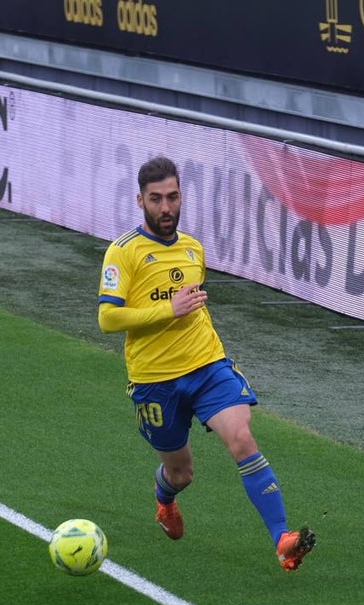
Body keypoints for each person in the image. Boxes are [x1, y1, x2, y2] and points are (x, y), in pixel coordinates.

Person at [97, 155, 316, 571]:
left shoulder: (193, 249)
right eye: (156, 199)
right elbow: (108, 318)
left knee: (242, 438)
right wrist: (169, 311)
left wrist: (183, 315)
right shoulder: (122, 253)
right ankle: (165, 501)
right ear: (140, 200)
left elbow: (191, 309)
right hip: (155, 380)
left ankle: (282, 539)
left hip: (206, 364)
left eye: (173, 197)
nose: (166, 208)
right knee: (181, 473)